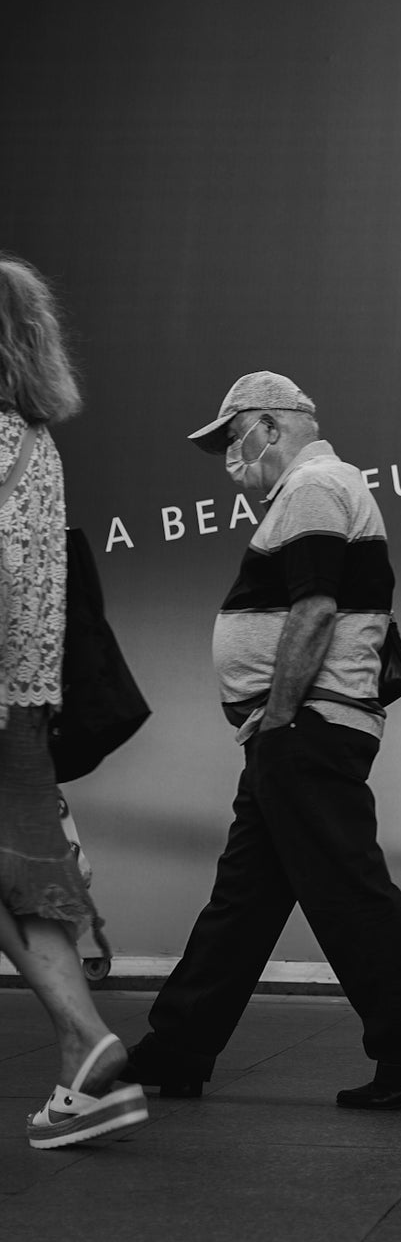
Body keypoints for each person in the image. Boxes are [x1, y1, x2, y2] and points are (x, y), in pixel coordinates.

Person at [123, 372, 401, 1109]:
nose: (227, 459)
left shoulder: (313, 487)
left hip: (303, 725)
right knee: (243, 900)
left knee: (348, 895)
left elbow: (314, 608)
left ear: (271, 426)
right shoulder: (314, 492)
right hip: (295, 727)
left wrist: (277, 714)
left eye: (231, 438)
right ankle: (176, 1047)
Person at [0, 254, 149, 1149]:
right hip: (23, 696)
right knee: (25, 873)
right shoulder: (34, 441)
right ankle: (81, 1057)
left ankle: (86, 1040)